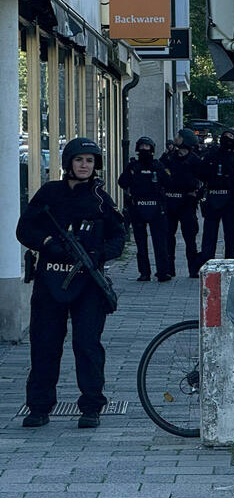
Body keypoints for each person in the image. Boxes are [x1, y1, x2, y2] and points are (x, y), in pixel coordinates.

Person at [16, 138, 126, 429]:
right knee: (45, 345)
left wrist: (99, 254)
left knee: (87, 345)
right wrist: (47, 242)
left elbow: (118, 237)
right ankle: (39, 407)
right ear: (69, 163)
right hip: (49, 281)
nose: (84, 166)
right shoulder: (50, 194)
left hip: (88, 283)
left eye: (90, 161)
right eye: (79, 160)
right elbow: (24, 228)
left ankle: (91, 406)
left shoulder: (101, 198)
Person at [117, 136, 171, 282]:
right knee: (141, 244)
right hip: (138, 207)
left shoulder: (157, 165)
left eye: (147, 147)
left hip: (156, 208)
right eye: (142, 147)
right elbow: (122, 182)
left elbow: (168, 182)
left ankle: (163, 272)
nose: (144, 150)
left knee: (160, 242)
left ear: (152, 150)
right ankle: (144, 272)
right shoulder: (133, 166)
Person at [161, 129, 203, 278]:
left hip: (187, 203)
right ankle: (168, 268)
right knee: (168, 236)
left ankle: (193, 269)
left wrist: (197, 195)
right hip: (170, 201)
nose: (175, 139)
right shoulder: (169, 158)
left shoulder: (194, 160)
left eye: (178, 136)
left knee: (190, 238)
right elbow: (160, 174)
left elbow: (204, 179)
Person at [197, 129, 234, 268]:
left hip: (231, 199)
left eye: (230, 137)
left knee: (230, 235)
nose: (227, 140)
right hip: (213, 197)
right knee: (209, 234)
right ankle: (207, 263)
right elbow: (202, 172)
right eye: (225, 137)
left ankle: (230, 264)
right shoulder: (212, 154)